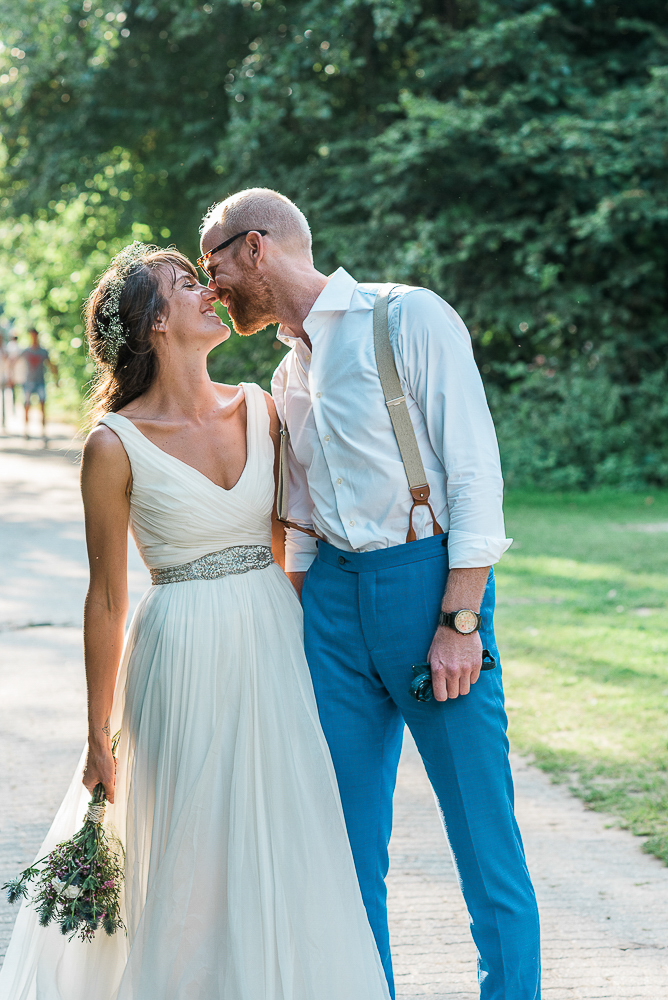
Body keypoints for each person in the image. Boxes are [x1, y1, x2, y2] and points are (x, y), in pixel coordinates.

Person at [0, 243, 390, 1000]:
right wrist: (95, 733)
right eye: (185, 284)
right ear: (153, 326)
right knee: (192, 856)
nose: (208, 288)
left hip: (272, 640)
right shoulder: (112, 447)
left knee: (289, 838)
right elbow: (107, 598)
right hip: (177, 653)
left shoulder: (261, 405)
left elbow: (287, 543)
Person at [199, 188, 542, 1000]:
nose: (210, 289)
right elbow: (307, 520)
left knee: (485, 842)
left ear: (256, 249)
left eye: (212, 265)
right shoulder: (287, 372)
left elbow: (473, 474)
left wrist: (461, 618)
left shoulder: (409, 319)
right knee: (342, 852)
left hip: (430, 592)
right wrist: (292, 626)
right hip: (332, 604)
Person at [22, 327, 57, 440]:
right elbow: (14, 362)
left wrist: (56, 379)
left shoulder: (43, 351)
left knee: (42, 405)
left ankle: (43, 432)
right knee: (27, 406)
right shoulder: (26, 351)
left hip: (40, 382)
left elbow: (51, 365)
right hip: (28, 383)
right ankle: (26, 431)